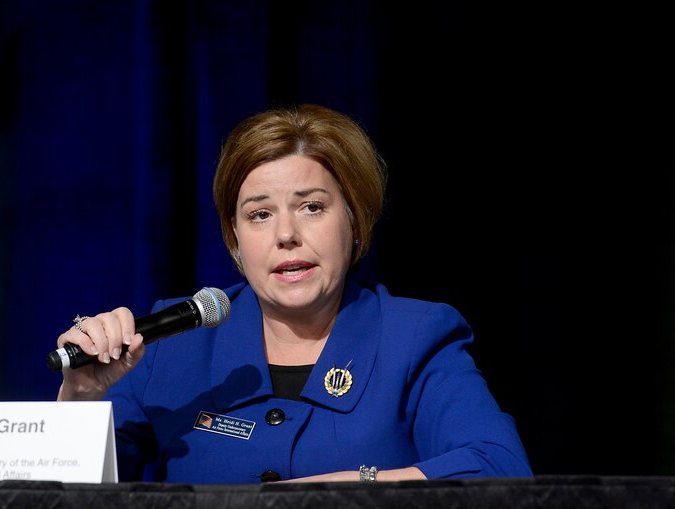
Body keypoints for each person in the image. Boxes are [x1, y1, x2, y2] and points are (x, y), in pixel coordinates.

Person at [56, 104, 533, 483]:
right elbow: (65, 496)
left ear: (355, 220)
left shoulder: (415, 339)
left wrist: (342, 491)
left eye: (311, 207)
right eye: (260, 214)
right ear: (235, 236)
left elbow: (499, 469)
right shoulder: (168, 345)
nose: (286, 234)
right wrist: (80, 398)